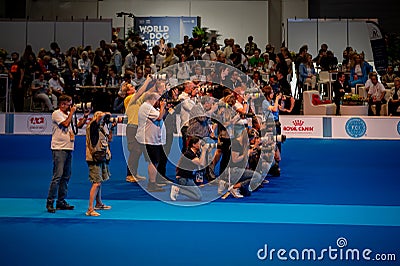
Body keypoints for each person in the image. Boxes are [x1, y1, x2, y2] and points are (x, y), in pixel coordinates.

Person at [46, 95, 90, 213]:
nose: (71, 106)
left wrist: (85, 116)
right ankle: (50, 202)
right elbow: (65, 124)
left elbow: (77, 126)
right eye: (69, 104)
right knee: (57, 176)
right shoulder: (56, 113)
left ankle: (61, 201)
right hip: (59, 148)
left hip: (68, 148)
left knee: (66, 176)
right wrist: (72, 113)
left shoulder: (67, 114)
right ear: (62, 104)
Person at [135, 92, 166, 192]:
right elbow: (160, 117)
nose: (159, 102)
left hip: (153, 139)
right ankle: (152, 183)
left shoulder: (148, 107)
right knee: (153, 161)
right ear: (152, 98)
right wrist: (162, 107)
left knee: (154, 161)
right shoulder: (147, 107)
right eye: (158, 100)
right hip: (150, 139)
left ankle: (153, 182)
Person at [85, 111, 114, 217]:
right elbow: (99, 118)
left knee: (99, 181)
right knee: (96, 183)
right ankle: (90, 209)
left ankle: (98, 203)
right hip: (94, 158)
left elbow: (109, 139)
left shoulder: (102, 127)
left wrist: (111, 127)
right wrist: (105, 114)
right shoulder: (92, 126)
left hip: (102, 156)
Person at [170, 136, 213, 201]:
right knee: (198, 197)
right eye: (199, 143)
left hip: (189, 178)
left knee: (198, 196)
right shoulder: (189, 153)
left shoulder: (196, 153)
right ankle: (178, 189)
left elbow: (203, 165)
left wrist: (205, 152)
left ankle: (178, 190)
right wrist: (204, 151)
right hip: (183, 179)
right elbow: (200, 163)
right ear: (194, 144)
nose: (201, 145)